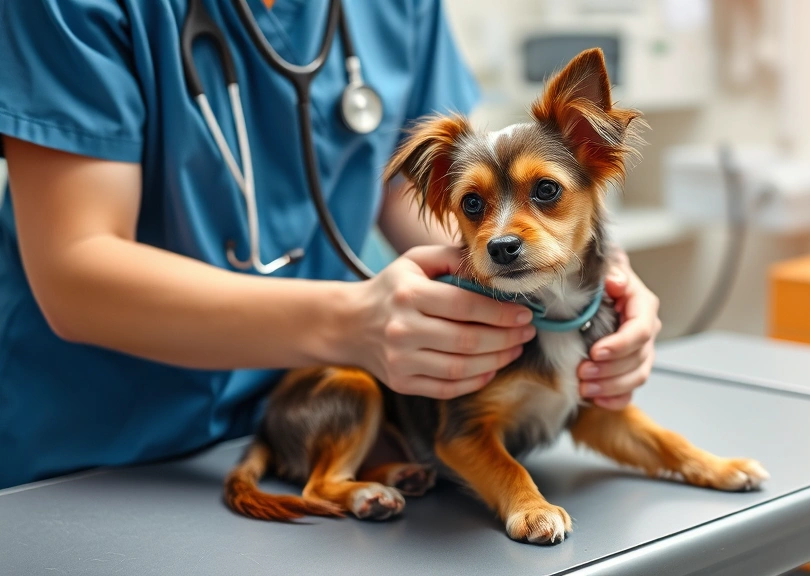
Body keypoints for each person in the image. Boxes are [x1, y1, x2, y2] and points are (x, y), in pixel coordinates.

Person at [0, 0, 661, 490]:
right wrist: (350, 323)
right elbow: (74, 267)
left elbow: (428, 192)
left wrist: (566, 269)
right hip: (101, 455)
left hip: (337, 429)